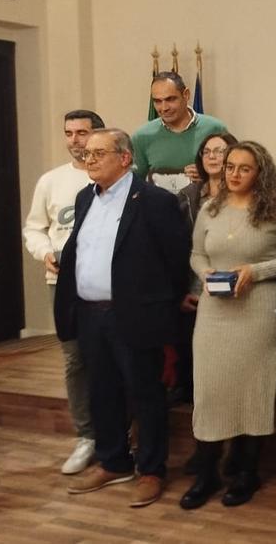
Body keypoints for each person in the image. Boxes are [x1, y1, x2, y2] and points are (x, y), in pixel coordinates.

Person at [55, 129, 189, 508]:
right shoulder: (85, 198)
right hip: (90, 313)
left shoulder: (154, 200)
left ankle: (151, 470)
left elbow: (175, 259)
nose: (89, 158)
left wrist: (163, 305)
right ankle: (113, 461)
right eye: (87, 153)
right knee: (103, 392)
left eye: (99, 153)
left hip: (134, 315)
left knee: (145, 394)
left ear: (125, 158)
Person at [179, 141, 276, 510]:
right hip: (215, 311)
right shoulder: (211, 207)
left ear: (260, 173)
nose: (234, 173)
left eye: (244, 168)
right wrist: (205, 273)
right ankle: (208, 471)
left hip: (259, 311)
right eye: (230, 166)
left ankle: (247, 471)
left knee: (253, 388)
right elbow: (197, 253)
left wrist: (255, 271)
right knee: (210, 389)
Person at [21, 108, 104, 475]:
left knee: (112, 357)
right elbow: (34, 229)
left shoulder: (117, 177)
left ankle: (120, 432)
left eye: (82, 133)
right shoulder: (51, 181)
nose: (75, 140)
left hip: (106, 285)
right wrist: (44, 252)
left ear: (99, 134)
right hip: (63, 285)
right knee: (75, 360)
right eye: (69, 133)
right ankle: (86, 436)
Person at [170, 132, 239, 411]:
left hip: (233, 289)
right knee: (190, 353)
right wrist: (181, 291)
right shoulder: (185, 198)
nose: (212, 157)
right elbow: (175, 250)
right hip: (192, 286)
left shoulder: (244, 196)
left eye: (219, 151)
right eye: (206, 152)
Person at [133, 71, 229, 194]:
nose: (164, 108)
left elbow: (233, 173)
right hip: (160, 211)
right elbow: (134, 184)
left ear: (186, 95)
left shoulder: (215, 129)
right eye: (157, 101)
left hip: (205, 209)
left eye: (170, 99)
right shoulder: (142, 137)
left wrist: (208, 175)